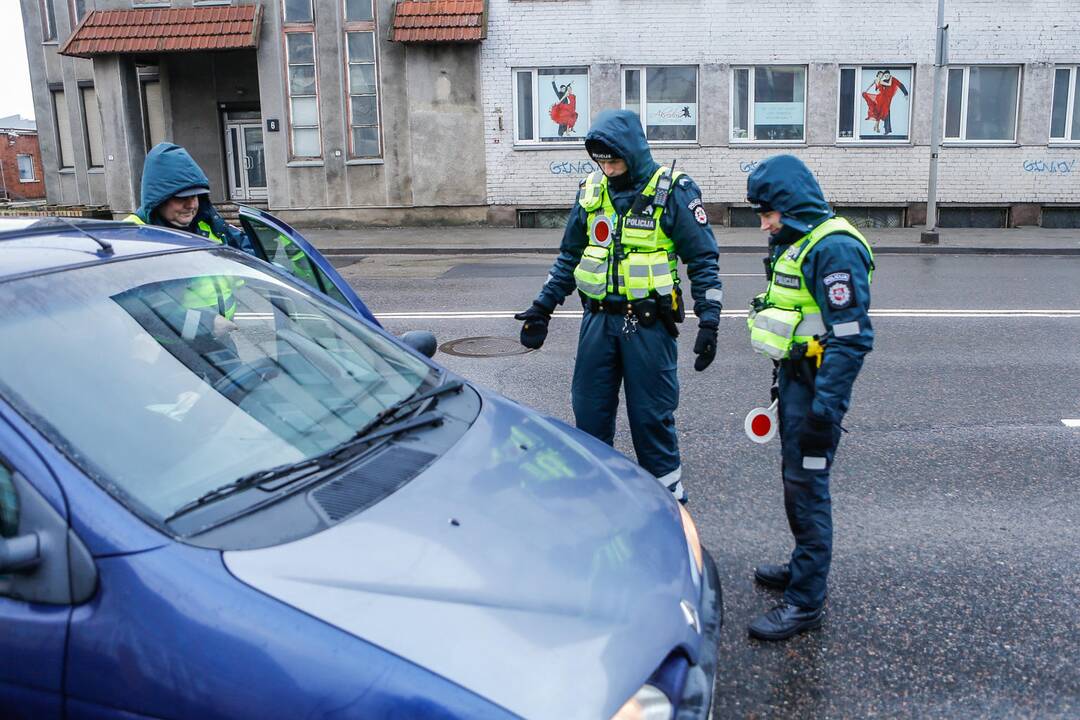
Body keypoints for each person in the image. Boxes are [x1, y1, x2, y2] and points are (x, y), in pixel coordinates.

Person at [514, 109, 724, 504]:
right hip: (597, 323)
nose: (608, 168)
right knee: (589, 416)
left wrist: (709, 319)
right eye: (601, 161)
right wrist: (542, 307)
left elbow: (703, 260)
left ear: (633, 151)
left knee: (651, 419)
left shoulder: (673, 191)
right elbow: (569, 256)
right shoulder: (591, 192)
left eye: (614, 159)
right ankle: (598, 501)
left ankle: (668, 502)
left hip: (649, 325)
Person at [743, 155, 874, 640]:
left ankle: (805, 603)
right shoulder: (797, 239)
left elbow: (852, 336)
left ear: (789, 205)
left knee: (809, 490)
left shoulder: (834, 249)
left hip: (819, 390)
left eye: (767, 213)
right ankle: (803, 569)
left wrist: (825, 410)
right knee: (795, 484)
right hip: (799, 380)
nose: (763, 224)